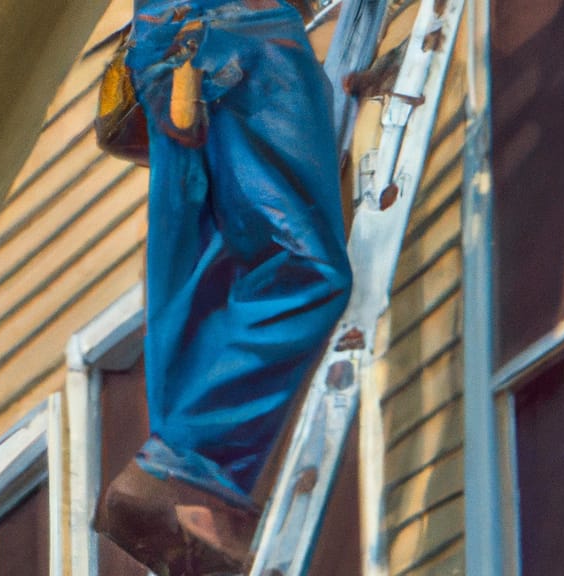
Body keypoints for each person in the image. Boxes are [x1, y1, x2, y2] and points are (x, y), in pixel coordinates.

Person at [94, 0, 352, 573]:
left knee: (208, 282)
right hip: (236, 37)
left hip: (178, 48)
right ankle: (182, 472)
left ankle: (191, 486)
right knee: (301, 271)